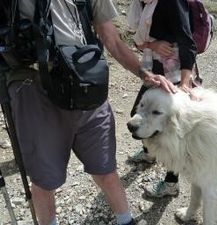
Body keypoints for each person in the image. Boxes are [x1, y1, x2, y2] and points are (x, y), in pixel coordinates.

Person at [4, 0, 176, 225]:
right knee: (44, 179)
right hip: (35, 89)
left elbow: (111, 39)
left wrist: (146, 74)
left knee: (105, 166)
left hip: (86, 85)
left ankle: (125, 220)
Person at [127, 0, 200, 198]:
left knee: (172, 130)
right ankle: (150, 153)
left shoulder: (171, 2)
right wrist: (153, 44)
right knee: (138, 114)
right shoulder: (141, 4)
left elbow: (187, 42)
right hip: (154, 70)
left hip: (175, 73)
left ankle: (171, 183)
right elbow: (137, 40)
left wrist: (185, 84)